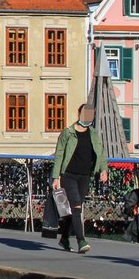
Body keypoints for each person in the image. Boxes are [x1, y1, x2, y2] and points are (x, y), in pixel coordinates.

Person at [51, 102, 109, 254]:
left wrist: (104, 169)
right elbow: (59, 155)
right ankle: (81, 241)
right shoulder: (68, 133)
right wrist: (55, 177)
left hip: (85, 176)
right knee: (76, 207)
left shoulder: (93, 133)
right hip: (68, 175)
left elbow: (100, 152)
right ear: (79, 114)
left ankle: (64, 238)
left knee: (75, 209)